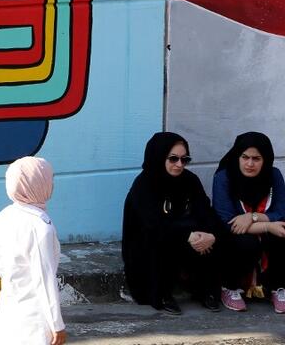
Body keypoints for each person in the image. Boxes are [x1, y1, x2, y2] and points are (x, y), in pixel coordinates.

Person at [122, 132, 223, 314]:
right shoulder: (144, 185)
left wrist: (210, 235)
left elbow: (206, 212)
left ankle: (205, 291)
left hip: (187, 237)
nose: (179, 165)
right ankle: (161, 295)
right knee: (163, 243)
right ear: (159, 157)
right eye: (173, 159)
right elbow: (151, 224)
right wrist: (187, 235)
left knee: (214, 238)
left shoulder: (190, 181)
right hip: (149, 243)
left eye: (184, 159)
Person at [0, 157, 66, 345]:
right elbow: (44, 279)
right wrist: (57, 324)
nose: (52, 183)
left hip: (10, 305)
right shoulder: (39, 227)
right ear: (37, 183)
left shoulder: (5, 215)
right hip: (34, 318)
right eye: (49, 178)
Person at [212, 131, 285, 313]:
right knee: (246, 242)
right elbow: (228, 222)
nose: (250, 164)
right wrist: (267, 225)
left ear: (265, 159)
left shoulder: (274, 175)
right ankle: (230, 287)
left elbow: (281, 211)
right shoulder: (224, 177)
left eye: (256, 158)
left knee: (282, 233)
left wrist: (252, 217)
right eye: (245, 157)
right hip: (232, 236)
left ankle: (277, 287)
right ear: (237, 156)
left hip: (261, 228)